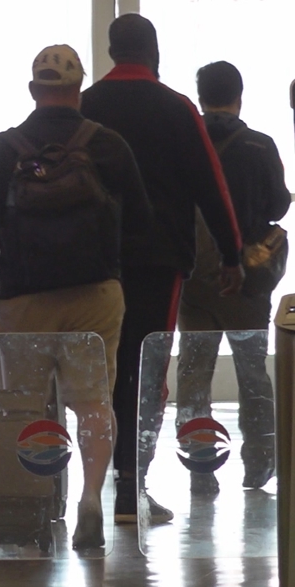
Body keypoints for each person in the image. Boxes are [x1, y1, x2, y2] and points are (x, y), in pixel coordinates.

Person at [0, 44, 155, 549]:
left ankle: (35, 501)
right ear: (78, 90)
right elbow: (141, 225)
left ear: (33, 90)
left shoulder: (4, 149)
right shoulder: (108, 145)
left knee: (29, 404)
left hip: (23, 299)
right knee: (94, 402)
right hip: (94, 294)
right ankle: (91, 496)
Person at [80, 14, 245, 524]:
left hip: (93, 262)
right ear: (154, 52)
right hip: (159, 259)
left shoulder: (86, 106)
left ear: (111, 52)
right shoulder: (177, 109)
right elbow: (210, 185)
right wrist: (232, 252)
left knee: (97, 370)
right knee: (145, 368)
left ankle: (84, 488)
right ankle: (132, 486)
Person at [176, 61, 290, 494]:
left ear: (201, 97)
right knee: (252, 374)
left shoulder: (183, 144)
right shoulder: (260, 147)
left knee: (193, 372)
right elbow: (279, 206)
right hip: (246, 279)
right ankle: (258, 464)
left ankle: (201, 468)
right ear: (239, 97)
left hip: (195, 279)